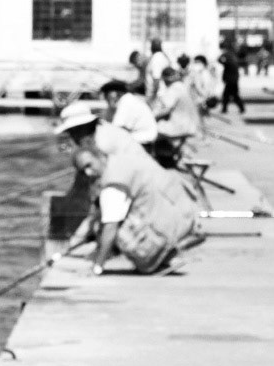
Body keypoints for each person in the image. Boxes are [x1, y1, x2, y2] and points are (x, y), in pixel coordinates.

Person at [56, 101, 204, 275]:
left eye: (73, 131)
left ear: (83, 127)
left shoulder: (103, 146)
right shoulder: (106, 132)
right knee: (105, 217)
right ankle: (159, 249)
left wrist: (96, 263)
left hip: (155, 198)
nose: (72, 137)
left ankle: (152, 253)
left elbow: (109, 210)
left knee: (109, 224)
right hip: (163, 195)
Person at [151, 66, 200, 148]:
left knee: (152, 130)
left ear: (165, 79)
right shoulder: (183, 86)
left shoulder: (174, 89)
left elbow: (165, 109)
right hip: (191, 124)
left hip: (180, 125)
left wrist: (151, 117)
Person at [99, 79, 157, 148]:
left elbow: (116, 128)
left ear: (115, 93)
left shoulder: (126, 101)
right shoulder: (125, 100)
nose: (106, 98)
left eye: (107, 94)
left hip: (143, 138)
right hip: (137, 136)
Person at [218, 44, 245, 114]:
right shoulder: (232, 60)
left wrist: (223, 55)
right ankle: (225, 109)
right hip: (232, 81)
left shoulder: (229, 62)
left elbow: (219, 60)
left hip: (231, 82)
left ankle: (240, 108)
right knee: (229, 95)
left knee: (230, 95)